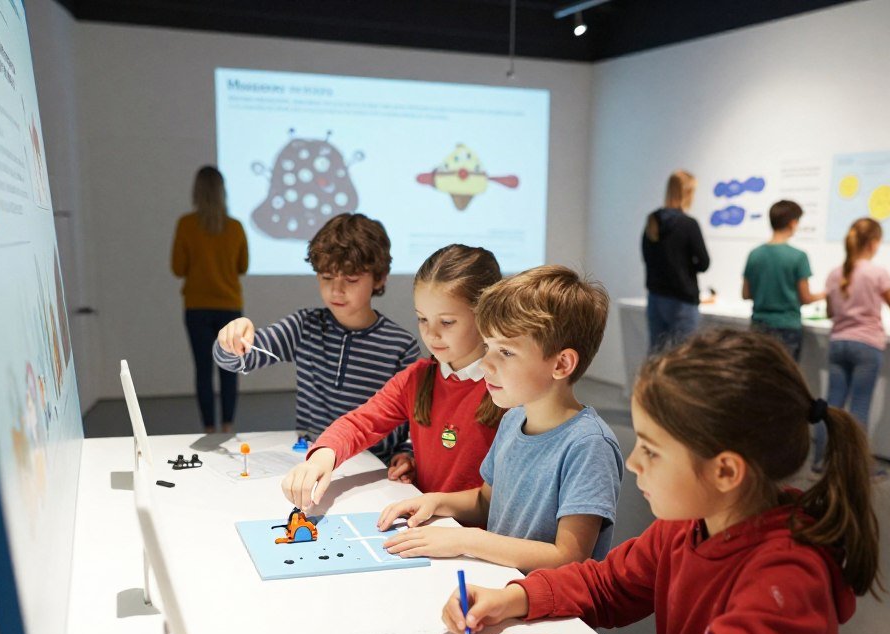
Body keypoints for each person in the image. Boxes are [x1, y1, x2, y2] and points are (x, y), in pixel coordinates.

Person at [442, 328, 879, 634]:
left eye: (651, 451)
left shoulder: (786, 572)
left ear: (725, 471)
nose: (632, 464)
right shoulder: (685, 527)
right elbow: (608, 584)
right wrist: (515, 597)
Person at [375, 266, 622, 571]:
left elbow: (568, 557)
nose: (486, 364)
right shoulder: (512, 421)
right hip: (500, 590)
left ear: (561, 364)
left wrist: (465, 541)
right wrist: (436, 502)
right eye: (488, 347)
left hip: (552, 613)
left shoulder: (589, 445)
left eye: (505, 352)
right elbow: (485, 501)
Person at [281, 244, 504, 508]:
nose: (431, 334)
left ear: (485, 314)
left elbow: (499, 498)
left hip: (473, 538)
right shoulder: (418, 377)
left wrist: (435, 503)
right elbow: (361, 422)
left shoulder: (507, 387)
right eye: (422, 319)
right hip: (426, 525)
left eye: (446, 322)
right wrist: (322, 456)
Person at [213, 213, 419, 465]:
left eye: (351, 279)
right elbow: (238, 360)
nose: (336, 290)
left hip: (374, 466)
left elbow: (415, 419)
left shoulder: (400, 346)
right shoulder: (304, 326)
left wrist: (407, 454)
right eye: (327, 277)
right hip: (311, 457)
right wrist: (231, 339)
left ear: (379, 278)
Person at [812, 218, 890, 472]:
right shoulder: (877, 273)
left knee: (832, 405)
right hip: (867, 345)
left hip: (838, 342)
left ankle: (820, 461)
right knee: (859, 406)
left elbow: (829, 312)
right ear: (873, 243)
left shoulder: (835, 274)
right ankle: (856, 468)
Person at [171, 166, 249, 433]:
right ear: (222, 192)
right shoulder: (235, 227)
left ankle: (208, 428)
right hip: (229, 306)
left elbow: (178, 268)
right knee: (229, 369)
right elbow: (243, 266)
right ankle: (228, 425)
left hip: (197, 308)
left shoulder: (186, 225)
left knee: (203, 370)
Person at [742, 200, 824, 361]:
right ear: (793, 223)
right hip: (787, 326)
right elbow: (805, 297)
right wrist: (825, 294)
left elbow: (745, 293)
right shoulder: (798, 257)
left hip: (759, 324)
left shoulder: (755, 254)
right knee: (784, 380)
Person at [641, 170, 710, 353]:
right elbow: (704, 262)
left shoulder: (652, 221)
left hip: (656, 297)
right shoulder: (688, 224)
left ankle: (652, 383)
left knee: (656, 355)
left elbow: (647, 257)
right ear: (688, 193)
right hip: (682, 299)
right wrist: (686, 267)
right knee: (683, 358)